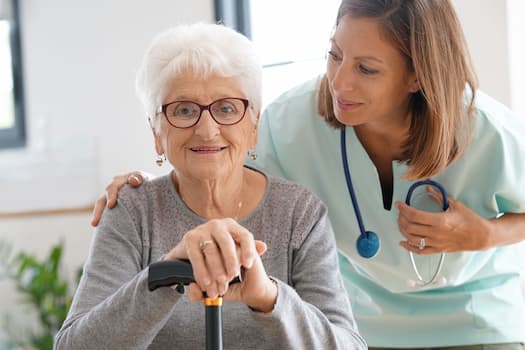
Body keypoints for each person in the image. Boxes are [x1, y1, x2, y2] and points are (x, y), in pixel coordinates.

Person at [91, 1, 525, 349]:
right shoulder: (293, 119)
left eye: (366, 69)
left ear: (416, 75)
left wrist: (486, 234)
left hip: (475, 321)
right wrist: (150, 184)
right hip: (370, 325)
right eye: (335, 55)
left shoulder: (489, 132)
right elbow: (217, 157)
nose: (339, 82)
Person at [54, 23, 366, 350]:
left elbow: (349, 345)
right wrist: (166, 274)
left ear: (253, 125)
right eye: (184, 110)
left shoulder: (299, 213)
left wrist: (268, 297)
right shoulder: (132, 211)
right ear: (156, 133)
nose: (207, 130)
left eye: (226, 108)